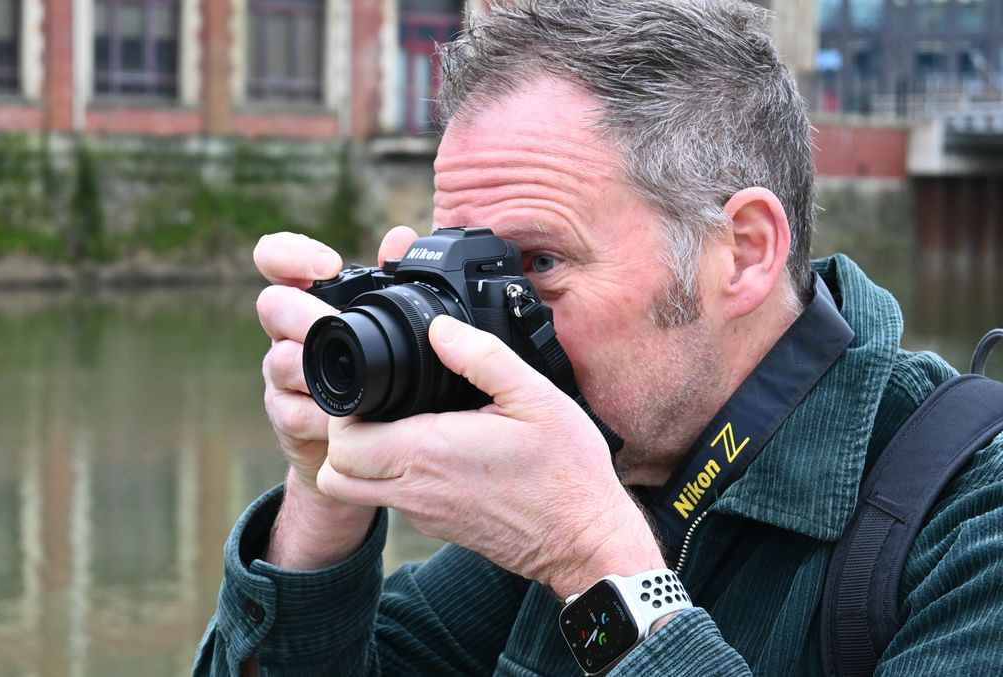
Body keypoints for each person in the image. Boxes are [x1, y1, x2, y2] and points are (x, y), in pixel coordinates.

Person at [194, 1, 1003, 674]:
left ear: (746, 251)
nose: (476, 334)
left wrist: (596, 567)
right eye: (465, 275)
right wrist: (322, 499)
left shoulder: (971, 520)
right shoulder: (591, 469)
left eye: (538, 265)